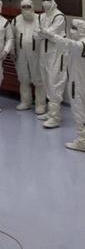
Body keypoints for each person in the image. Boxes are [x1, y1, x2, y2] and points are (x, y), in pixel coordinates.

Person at [50, 20, 85, 152]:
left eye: (75, 28)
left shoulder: (80, 44)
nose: (72, 30)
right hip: (81, 81)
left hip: (78, 83)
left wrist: (52, 36)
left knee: (79, 110)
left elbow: (69, 44)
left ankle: (82, 142)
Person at [37, 0, 67, 129]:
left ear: (53, 0)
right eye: (43, 0)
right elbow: (38, 34)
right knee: (47, 82)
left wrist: (44, 33)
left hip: (56, 54)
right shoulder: (42, 16)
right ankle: (51, 112)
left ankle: (55, 118)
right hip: (44, 53)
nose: (45, 3)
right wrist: (44, 33)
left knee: (55, 83)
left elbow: (51, 33)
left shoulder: (58, 16)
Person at [9, 0, 44, 113]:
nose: (26, 9)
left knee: (38, 79)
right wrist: (12, 51)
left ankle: (40, 104)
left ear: (33, 7)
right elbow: (11, 37)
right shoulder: (16, 21)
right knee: (23, 78)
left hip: (37, 54)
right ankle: (25, 102)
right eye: (23, 7)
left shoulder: (40, 19)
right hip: (21, 54)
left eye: (28, 7)